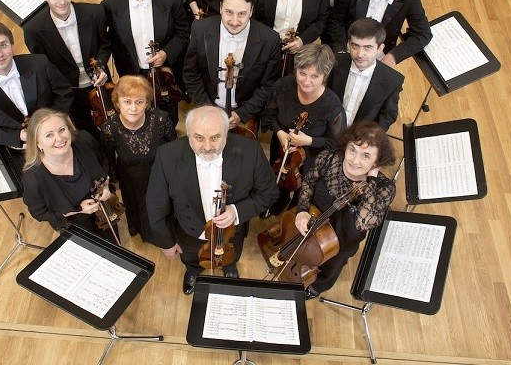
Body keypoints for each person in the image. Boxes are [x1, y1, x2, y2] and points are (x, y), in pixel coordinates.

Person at [146, 106, 279, 294]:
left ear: (226, 133)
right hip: (189, 233)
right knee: (191, 258)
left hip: (231, 234)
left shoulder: (251, 151)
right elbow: (155, 205)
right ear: (188, 134)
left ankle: (229, 268)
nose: (207, 147)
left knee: (231, 256)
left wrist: (236, 211)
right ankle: (193, 271)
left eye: (215, 137)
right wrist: (166, 242)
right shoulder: (167, 155)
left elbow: (269, 193)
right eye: (199, 138)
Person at [294, 121, 396, 299]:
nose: (355, 160)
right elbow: (309, 183)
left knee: (331, 266)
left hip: (343, 239)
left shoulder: (384, 188)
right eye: (352, 150)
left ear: (377, 161)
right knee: (301, 248)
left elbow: (363, 222)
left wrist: (371, 180)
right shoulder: (328, 158)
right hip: (314, 218)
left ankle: (316, 287)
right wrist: (302, 210)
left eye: (366, 156)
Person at [101, 0, 190, 124]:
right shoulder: (110, 6)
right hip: (131, 72)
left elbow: (183, 34)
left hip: (164, 75)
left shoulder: (172, 0)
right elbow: (105, 42)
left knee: (168, 118)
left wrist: (165, 53)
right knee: (137, 117)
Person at [22, 0, 111, 136]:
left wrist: (100, 67)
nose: (62, 1)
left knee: (109, 122)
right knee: (82, 131)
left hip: (100, 83)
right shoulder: (33, 30)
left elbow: (105, 44)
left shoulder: (95, 13)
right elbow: (43, 66)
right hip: (69, 92)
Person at [0, 20, 73, 155]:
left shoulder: (39, 64)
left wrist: (52, 125)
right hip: (17, 149)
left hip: (58, 138)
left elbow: (64, 93)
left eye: (3, 45)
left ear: (12, 45)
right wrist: (20, 136)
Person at [183, 0, 280, 131]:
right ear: (220, 7)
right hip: (208, 106)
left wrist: (243, 113)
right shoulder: (200, 28)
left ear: (251, 11)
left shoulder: (270, 39)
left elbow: (268, 85)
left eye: (241, 14)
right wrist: (207, 107)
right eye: (229, 12)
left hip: (245, 114)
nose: (234, 21)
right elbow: (191, 74)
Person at [261, 44, 346, 215]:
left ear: (325, 76)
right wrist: (279, 132)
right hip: (282, 146)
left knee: (303, 187)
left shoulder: (332, 105)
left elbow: (336, 143)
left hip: (312, 156)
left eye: (315, 76)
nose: (306, 81)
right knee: (278, 174)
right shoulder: (283, 86)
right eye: (302, 73)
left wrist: (309, 141)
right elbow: (270, 114)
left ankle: (294, 212)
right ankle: (277, 201)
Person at [99, 75, 176, 244]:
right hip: (131, 179)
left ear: (146, 102)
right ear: (118, 103)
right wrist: (115, 181)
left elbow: (174, 151)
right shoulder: (109, 129)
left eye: (139, 102)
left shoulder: (161, 119)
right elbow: (109, 159)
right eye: (127, 102)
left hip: (160, 176)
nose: (133, 108)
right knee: (141, 210)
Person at [22, 108, 118, 243]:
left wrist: (106, 186)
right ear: (38, 143)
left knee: (114, 246)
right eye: (49, 135)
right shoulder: (32, 178)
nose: (59, 138)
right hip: (74, 222)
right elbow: (40, 213)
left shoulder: (84, 140)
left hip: (104, 210)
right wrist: (79, 210)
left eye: (62, 129)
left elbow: (103, 160)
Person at [329, 18, 404, 131]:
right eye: (355, 46)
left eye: (367, 47)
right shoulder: (334, 62)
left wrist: (370, 136)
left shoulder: (393, 80)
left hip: (361, 135)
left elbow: (388, 115)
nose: (360, 54)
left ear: (380, 48)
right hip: (328, 130)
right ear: (348, 44)